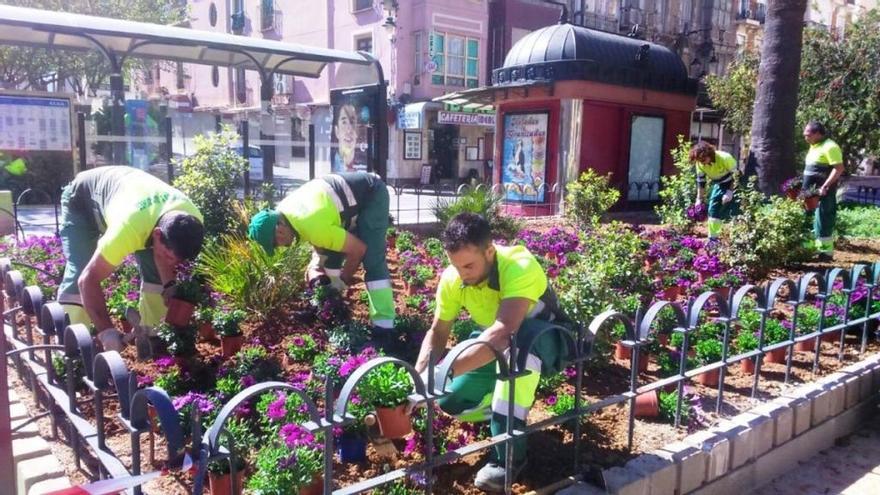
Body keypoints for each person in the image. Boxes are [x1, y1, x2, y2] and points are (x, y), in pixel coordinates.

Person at [413, 213, 571, 492]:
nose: (463, 274)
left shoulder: (518, 265)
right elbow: (437, 333)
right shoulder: (454, 277)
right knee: (450, 398)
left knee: (518, 353)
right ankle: (504, 414)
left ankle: (508, 459)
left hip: (545, 338)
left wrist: (442, 371)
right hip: (498, 342)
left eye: (469, 265)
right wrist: (420, 378)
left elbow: (504, 331)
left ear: (489, 250)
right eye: (457, 266)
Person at [58, 166, 205, 351]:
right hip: (82, 201)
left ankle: (155, 338)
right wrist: (107, 331)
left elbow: (166, 258)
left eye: (178, 261)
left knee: (156, 276)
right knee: (80, 268)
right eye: (169, 256)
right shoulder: (128, 228)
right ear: (157, 235)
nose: (173, 264)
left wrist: (169, 284)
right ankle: (72, 350)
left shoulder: (193, 218)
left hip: (137, 205)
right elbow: (87, 280)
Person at [247, 172, 396, 338]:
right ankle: (333, 306)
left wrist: (344, 280)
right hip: (342, 204)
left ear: (279, 230)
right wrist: (317, 265)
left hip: (371, 194)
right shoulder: (285, 212)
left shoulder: (312, 226)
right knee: (329, 254)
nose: (279, 247)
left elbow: (358, 250)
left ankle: (385, 327)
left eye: (275, 243)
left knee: (372, 259)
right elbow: (319, 241)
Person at [802, 121, 844, 261]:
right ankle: (807, 250)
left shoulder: (830, 146)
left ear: (818, 134)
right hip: (809, 191)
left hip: (824, 191)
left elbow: (838, 168)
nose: (805, 137)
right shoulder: (814, 145)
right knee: (806, 218)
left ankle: (825, 254)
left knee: (824, 219)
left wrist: (825, 186)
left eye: (808, 135)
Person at [690, 141, 738, 239]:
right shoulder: (700, 164)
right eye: (699, 160)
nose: (702, 162)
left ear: (709, 154)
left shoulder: (725, 158)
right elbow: (701, 182)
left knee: (735, 211)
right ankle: (713, 238)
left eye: (703, 159)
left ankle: (736, 237)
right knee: (713, 209)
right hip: (719, 184)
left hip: (734, 183)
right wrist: (699, 199)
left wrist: (730, 191)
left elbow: (737, 176)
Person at [333, 104, 359, 172]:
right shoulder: (328, 164)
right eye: (344, 122)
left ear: (357, 130)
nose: (349, 130)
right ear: (337, 131)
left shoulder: (365, 166)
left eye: (352, 122)